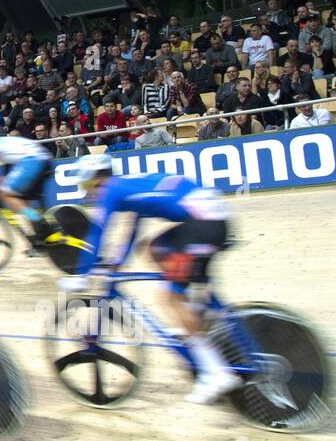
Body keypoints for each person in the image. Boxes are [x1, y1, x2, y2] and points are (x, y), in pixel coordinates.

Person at [65, 158, 238, 404]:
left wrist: (82, 273)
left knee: (170, 297)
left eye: (85, 185)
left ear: (96, 178)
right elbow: (133, 233)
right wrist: (116, 263)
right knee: (155, 248)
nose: (87, 192)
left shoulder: (111, 190)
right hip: (210, 220)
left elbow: (97, 233)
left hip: (202, 225)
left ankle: (217, 372)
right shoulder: (127, 187)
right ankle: (198, 316)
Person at [0, 124, 53, 243]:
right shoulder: (5, 144)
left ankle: (39, 220)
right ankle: (40, 237)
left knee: (4, 195)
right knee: (22, 202)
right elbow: (6, 171)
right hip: (44, 160)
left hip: (32, 161)